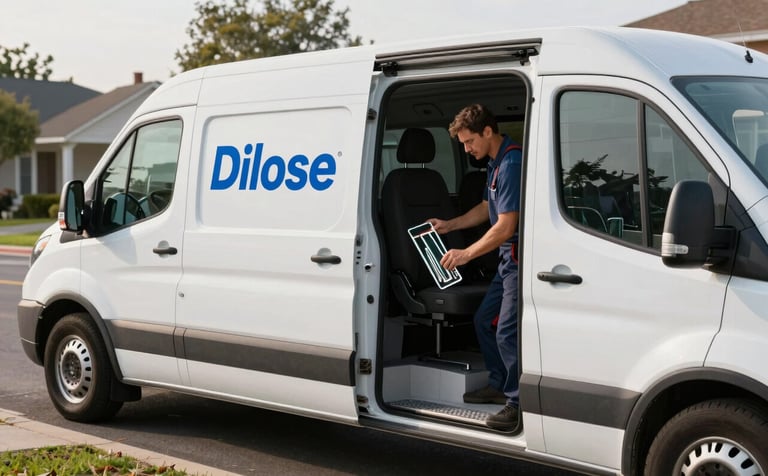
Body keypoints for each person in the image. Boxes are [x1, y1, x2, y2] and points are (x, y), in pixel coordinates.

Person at [429, 104, 522, 431]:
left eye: (469, 142)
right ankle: (499, 384)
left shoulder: (511, 163)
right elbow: (486, 208)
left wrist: (465, 253)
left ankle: (517, 402)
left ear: (487, 131)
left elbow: (505, 227)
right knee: (485, 321)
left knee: (507, 332)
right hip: (505, 261)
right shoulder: (495, 163)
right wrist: (450, 224)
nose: (466, 149)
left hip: (516, 259)